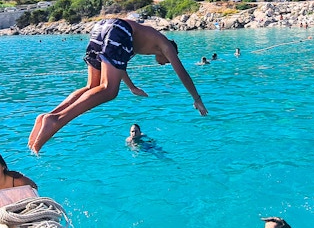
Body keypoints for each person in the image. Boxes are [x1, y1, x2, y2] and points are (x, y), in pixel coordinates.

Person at [28, 18, 208, 154]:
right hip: (118, 29)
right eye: (169, 60)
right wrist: (197, 99)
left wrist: (131, 87)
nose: (167, 62)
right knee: (109, 90)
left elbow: (119, 66)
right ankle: (56, 121)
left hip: (102, 27)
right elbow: (182, 72)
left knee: (93, 86)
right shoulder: (166, 45)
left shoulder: (140, 43)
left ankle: (48, 116)